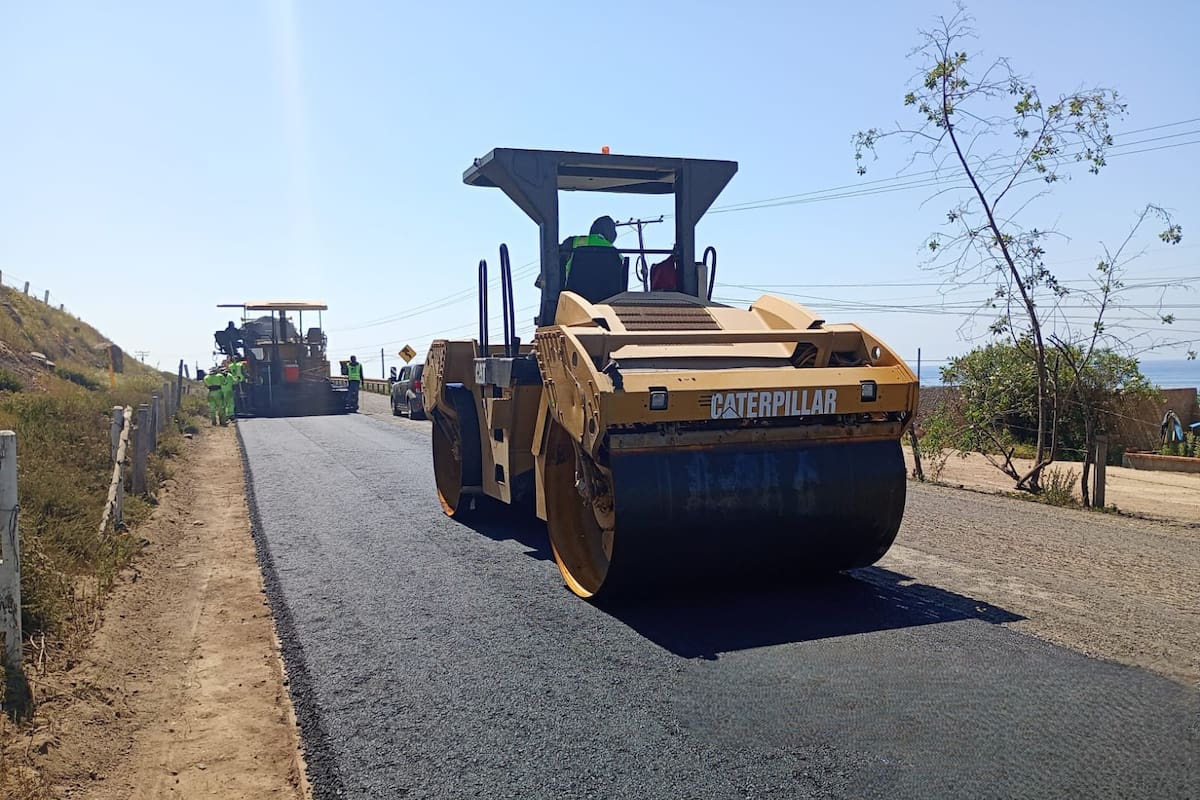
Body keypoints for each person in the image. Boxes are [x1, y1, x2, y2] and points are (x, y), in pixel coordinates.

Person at [535, 215, 620, 289]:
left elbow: (552, 265)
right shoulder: (618, 255)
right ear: (612, 235)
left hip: (572, 299)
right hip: (606, 303)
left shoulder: (572, 242)